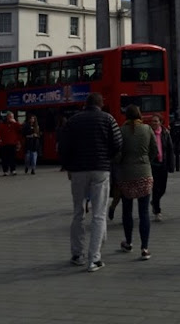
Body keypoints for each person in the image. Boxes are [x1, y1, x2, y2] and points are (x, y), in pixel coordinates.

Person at [60, 92, 123, 272]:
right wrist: (106, 157)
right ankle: (94, 258)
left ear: (85, 104)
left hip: (78, 170)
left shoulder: (73, 121)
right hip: (100, 169)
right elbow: (118, 143)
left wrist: (69, 166)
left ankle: (77, 254)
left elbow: (64, 146)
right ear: (100, 104)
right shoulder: (108, 119)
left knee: (78, 212)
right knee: (99, 214)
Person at [117, 105, 157, 260]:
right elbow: (154, 150)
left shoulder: (121, 131)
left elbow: (118, 153)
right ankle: (145, 248)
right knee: (144, 212)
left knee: (127, 211)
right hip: (144, 174)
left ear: (126, 116)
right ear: (140, 115)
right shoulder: (147, 129)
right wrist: (146, 162)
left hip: (126, 175)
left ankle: (128, 242)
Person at [150, 113, 175, 222]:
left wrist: (171, 165)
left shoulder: (165, 133)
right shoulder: (149, 133)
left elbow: (170, 149)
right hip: (153, 165)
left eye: (156, 121)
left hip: (163, 164)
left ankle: (154, 202)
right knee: (155, 188)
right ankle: (157, 211)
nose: (154, 123)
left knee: (163, 188)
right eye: (152, 121)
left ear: (160, 122)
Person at [0, 112, 22, 176]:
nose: (11, 118)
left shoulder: (15, 124)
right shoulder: (1, 125)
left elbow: (21, 129)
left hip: (13, 143)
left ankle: (13, 170)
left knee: (13, 157)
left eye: (12, 116)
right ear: (7, 117)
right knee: (4, 158)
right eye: (10, 116)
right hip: (4, 143)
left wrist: (15, 122)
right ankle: (5, 170)